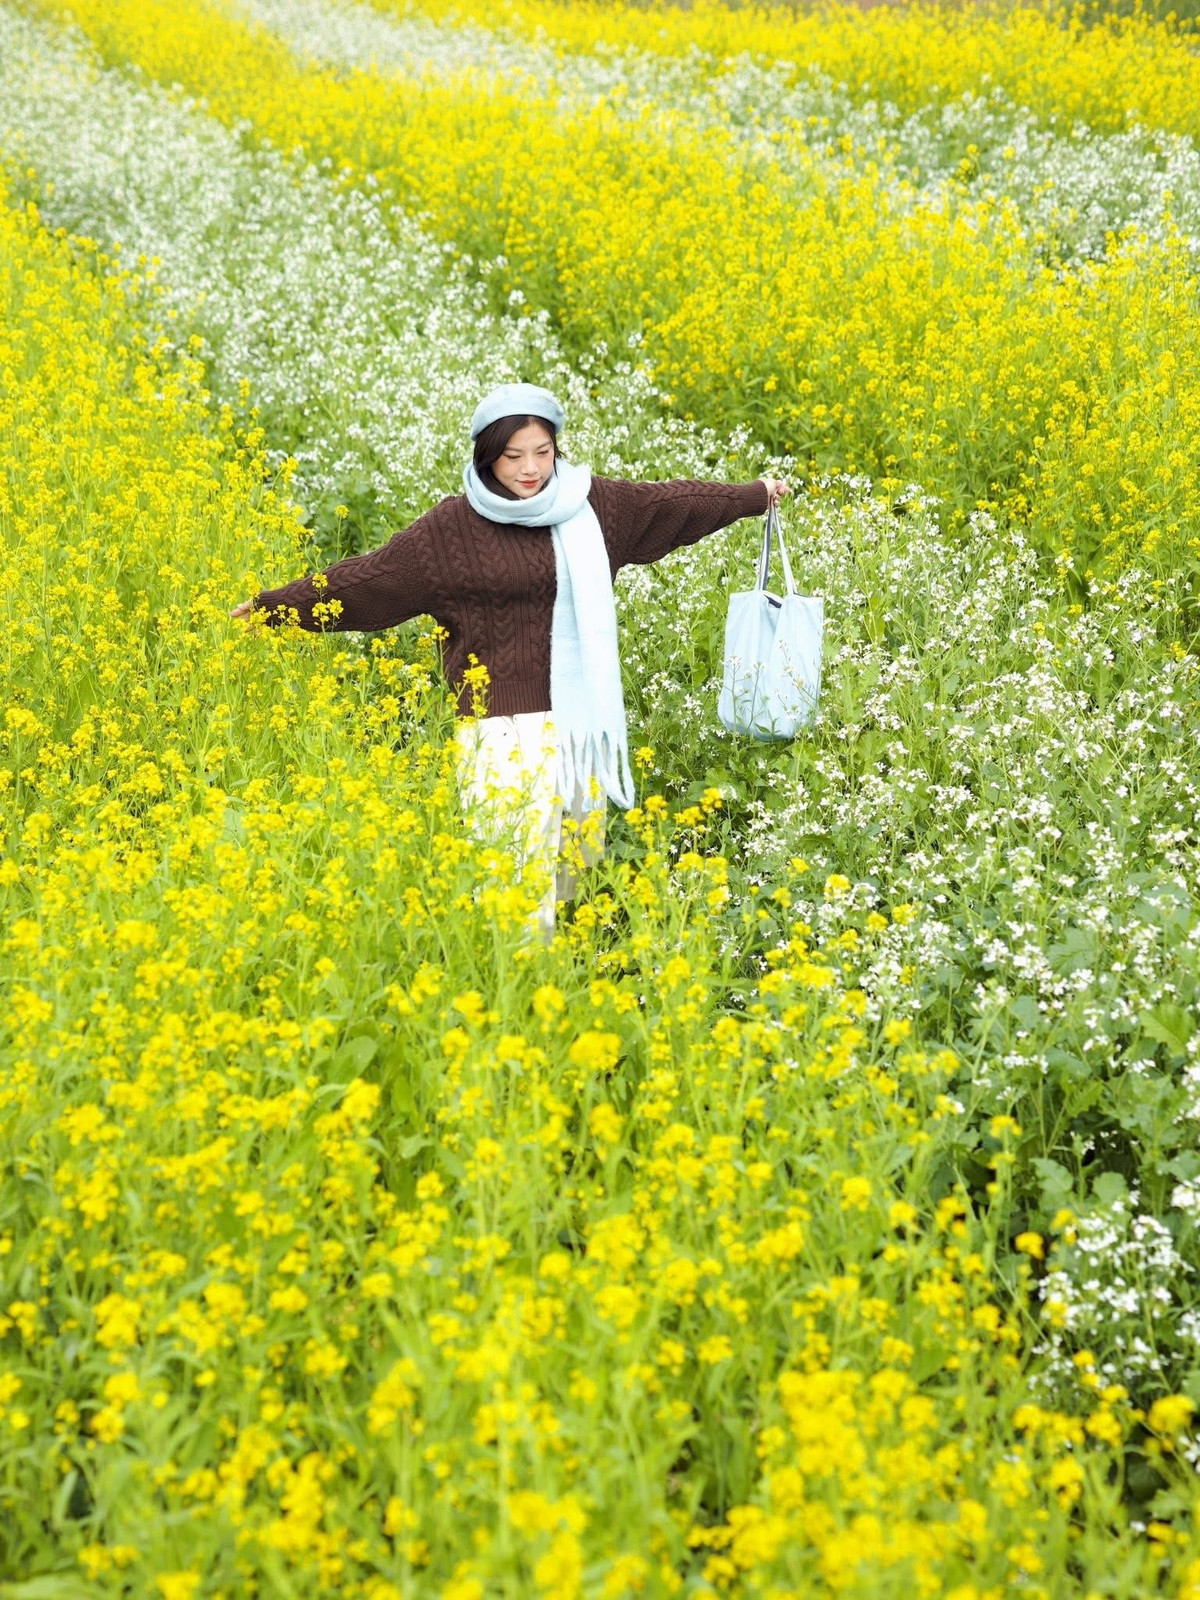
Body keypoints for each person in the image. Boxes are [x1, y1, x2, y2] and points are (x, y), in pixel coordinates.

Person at [231, 382, 789, 937]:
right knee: (516, 885)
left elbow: (673, 505)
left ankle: (556, 988)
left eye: (542, 453)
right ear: (486, 454)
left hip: (581, 723)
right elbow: (371, 581)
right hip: (501, 727)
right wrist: (276, 608)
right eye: (513, 455)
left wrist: (752, 494)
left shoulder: (594, 507)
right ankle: (513, 994)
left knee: (574, 878)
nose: (530, 469)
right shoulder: (451, 531)